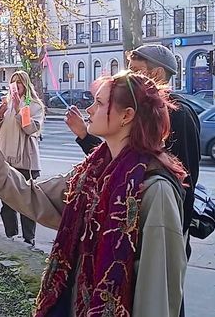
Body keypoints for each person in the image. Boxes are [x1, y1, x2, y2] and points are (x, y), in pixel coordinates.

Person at [0, 71, 187, 316]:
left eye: (99, 103)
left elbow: (158, 297)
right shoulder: (91, 174)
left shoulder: (154, 189)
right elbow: (33, 197)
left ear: (127, 115)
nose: (89, 110)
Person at [65, 44, 200, 261]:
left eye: (135, 70)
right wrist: (84, 136)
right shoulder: (139, 108)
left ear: (157, 73)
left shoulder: (178, 113)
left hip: (161, 229)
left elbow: (184, 180)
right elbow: (120, 160)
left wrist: (174, 235)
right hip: (133, 225)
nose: (128, 76)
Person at [0, 71, 44, 246]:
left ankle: (29, 239)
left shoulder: (34, 105)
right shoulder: (6, 105)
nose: (15, 87)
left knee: (26, 203)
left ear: (26, 85)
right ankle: (11, 236)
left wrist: (20, 110)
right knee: (7, 202)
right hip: (5, 159)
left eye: (19, 83)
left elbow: (30, 129)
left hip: (24, 161)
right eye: (13, 83)